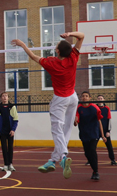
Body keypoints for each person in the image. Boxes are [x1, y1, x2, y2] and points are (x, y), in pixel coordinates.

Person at [12, 31, 84, 179]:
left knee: (57, 129)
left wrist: (22, 45)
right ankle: (52, 160)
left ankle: (63, 157)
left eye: (57, 45)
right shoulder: (73, 57)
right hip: (73, 97)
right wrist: (70, 34)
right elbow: (81, 36)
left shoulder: (52, 63)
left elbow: (33, 57)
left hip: (60, 99)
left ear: (57, 51)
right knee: (67, 129)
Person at [74, 91, 106, 181]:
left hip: (94, 133)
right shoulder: (79, 108)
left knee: (92, 151)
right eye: (83, 96)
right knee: (87, 153)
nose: (84, 97)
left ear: (90, 98)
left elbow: (99, 121)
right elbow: (76, 123)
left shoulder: (94, 108)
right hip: (84, 133)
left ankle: (96, 172)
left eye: (86, 96)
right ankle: (94, 170)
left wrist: (102, 135)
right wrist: (75, 121)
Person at [0, 92, 19, 171]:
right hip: (2, 131)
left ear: (8, 97)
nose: (4, 97)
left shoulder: (12, 107)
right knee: (4, 148)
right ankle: (5, 164)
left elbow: (16, 119)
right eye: (3, 96)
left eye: (6, 96)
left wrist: (13, 129)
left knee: (10, 148)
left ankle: (10, 164)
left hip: (10, 131)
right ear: (1, 98)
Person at [96, 95, 117, 166]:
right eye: (98, 98)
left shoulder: (107, 108)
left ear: (103, 99)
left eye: (101, 98)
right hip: (96, 131)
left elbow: (109, 119)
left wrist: (108, 131)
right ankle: (90, 160)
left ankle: (113, 160)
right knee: (92, 147)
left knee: (109, 146)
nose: (100, 99)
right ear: (97, 100)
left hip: (105, 131)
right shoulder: (94, 108)